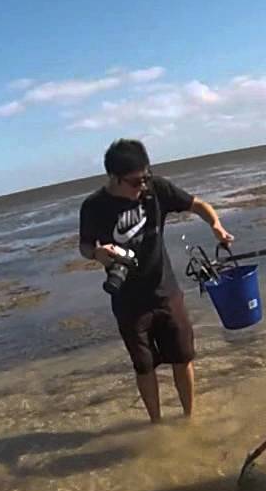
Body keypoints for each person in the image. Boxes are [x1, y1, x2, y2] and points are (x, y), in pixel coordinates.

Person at [79, 138, 233, 422]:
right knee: (144, 366)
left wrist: (216, 225)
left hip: (166, 292)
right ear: (113, 178)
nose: (142, 187)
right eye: (135, 182)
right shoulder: (94, 206)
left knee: (182, 356)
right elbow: (85, 246)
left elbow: (197, 204)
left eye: (146, 178)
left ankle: (190, 418)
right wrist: (98, 254)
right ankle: (156, 424)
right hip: (128, 302)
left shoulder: (156, 189)